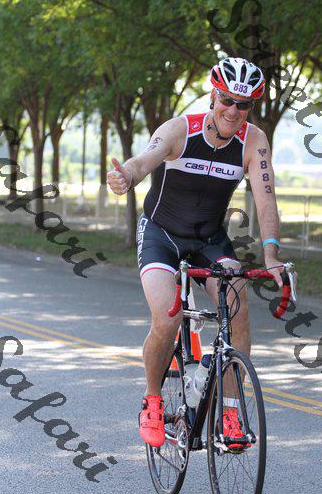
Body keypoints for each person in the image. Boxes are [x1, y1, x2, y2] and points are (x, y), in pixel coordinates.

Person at [107, 57, 284, 448]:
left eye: (244, 104)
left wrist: (271, 253)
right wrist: (126, 177)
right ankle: (153, 400)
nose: (233, 111)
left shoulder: (253, 141)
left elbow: (266, 198)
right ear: (213, 96)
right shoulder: (180, 130)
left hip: (209, 241)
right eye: (227, 100)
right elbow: (144, 160)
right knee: (168, 317)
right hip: (162, 235)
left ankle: (231, 412)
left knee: (237, 307)